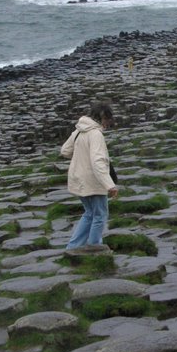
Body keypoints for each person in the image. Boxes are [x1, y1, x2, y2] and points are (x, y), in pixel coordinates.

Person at [60, 102, 119, 253]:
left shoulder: (79, 131)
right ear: (103, 117)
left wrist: (81, 156)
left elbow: (65, 151)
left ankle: (73, 247)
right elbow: (97, 161)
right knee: (99, 215)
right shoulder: (95, 134)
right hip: (93, 181)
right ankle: (95, 248)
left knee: (89, 213)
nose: (108, 124)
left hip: (78, 178)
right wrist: (109, 185)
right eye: (108, 120)